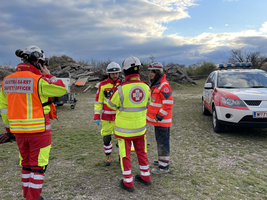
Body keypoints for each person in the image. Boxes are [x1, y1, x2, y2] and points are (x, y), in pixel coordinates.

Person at [0, 45, 67, 200]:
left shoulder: (6, 82)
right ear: (37, 61)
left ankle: (29, 197)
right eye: (42, 63)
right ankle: (33, 198)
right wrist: (49, 76)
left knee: (27, 165)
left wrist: (9, 131)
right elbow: (61, 90)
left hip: (19, 133)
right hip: (39, 132)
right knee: (38, 168)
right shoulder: (39, 81)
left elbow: (4, 109)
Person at [107, 56, 151, 192]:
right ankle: (146, 177)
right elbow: (147, 103)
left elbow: (111, 105)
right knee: (142, 152)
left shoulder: (121, 89)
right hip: (140, 129)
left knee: (125, 155)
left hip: (124, 131)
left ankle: (128, 182)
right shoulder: (146, 87)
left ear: (125, 71)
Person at [146, 62, 173, 174]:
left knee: (163, 142)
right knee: (160, 140)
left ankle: (163, 166)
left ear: (157, 72)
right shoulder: (157, 84)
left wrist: (159, 116)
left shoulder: (163, 85)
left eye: (152, 71)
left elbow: (168, 102)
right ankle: (163, 160)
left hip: (162, 121)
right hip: (158, 121)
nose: (150, 74)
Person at [94, 62, 121, 166]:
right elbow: (98, 101)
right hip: (106, 117)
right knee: (106, 138)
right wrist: (97, 115)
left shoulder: (122, 84)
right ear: (108, 74)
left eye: (117, 73)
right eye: (113, 73)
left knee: (121, 138)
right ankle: (108, 156)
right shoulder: (102, 85)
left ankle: (121, 155)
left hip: (120, 116)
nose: (115, 75)